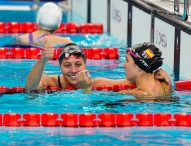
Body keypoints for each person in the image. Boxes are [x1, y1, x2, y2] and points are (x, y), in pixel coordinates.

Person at [25, 41, 171, 97]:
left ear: (85, 64)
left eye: (78, 64)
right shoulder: (51, 81)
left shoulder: (98, 84)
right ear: (60, 66)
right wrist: (42, 60)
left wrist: (86, 89)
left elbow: (91, 107)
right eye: (67, 65)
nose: (74, 70)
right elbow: (30, 88)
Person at [92, 42, 172, 97]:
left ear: (138, 67)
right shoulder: (166, 85)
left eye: (127, 61)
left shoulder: (139, 94)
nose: (124, 65)